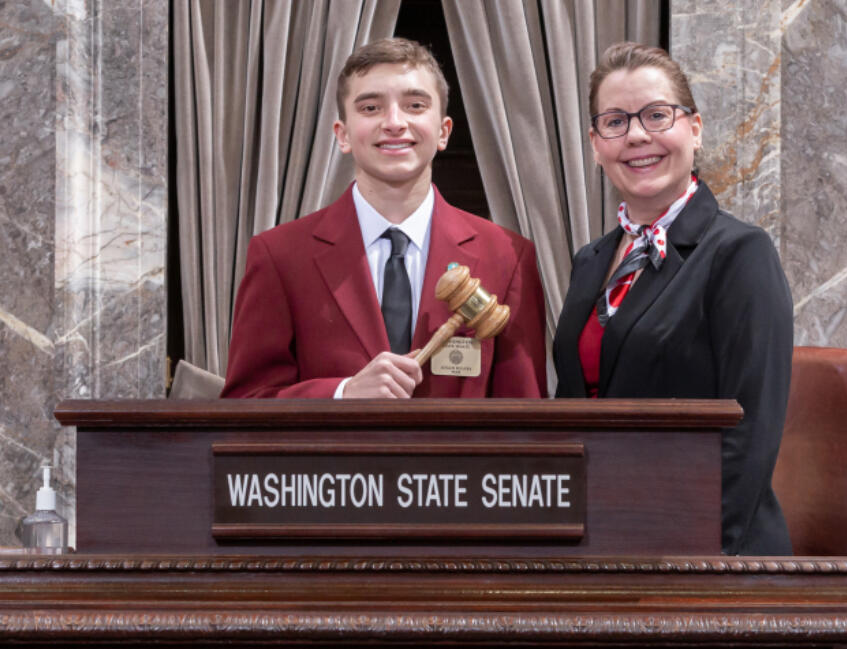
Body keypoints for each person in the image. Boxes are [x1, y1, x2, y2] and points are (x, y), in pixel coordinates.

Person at [552, 43, 793, 555]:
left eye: (657, 115)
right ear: (595, 145)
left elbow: (749, 434)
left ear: (696, 128)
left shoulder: (739, 253)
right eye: (615, 122)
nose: (637, 135)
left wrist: (682, 556)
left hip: (702, 558)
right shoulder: (590, 262)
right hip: (596, 546)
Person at [222, 38, 547, 400]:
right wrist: (343, 393)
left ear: (443, 131)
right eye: (371, 107)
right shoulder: (279, 256)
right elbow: (245, 405)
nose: (394, 123)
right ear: (343, 135)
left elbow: (525, 419)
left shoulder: (507, 256)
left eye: (415, 105)